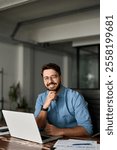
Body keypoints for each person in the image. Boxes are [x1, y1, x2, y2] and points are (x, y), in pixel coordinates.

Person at [34, 63, 93, 137]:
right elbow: (38, 127)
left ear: (60, 77)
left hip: (72, 140)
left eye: (53, 77)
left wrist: (59, 131)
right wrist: (45, 106)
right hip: (51, 139)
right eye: (46, 78)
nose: (50, 81)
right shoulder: (41, 98)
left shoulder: (75, 97)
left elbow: (87, 130)